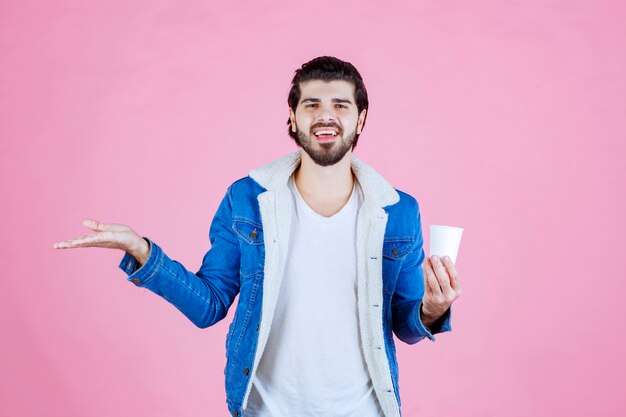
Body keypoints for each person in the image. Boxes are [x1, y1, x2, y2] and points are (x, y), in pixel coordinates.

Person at [54, 56, 462, 417]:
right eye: (312, 104)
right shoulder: (247, 199)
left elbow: (405, 327)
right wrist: (141, 251)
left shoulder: (397, 211)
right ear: (292, 116)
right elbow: (209, 305)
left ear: (361, 118)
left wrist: (432, 308)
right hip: (264, 409)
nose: (326, 115)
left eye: (341, 105)